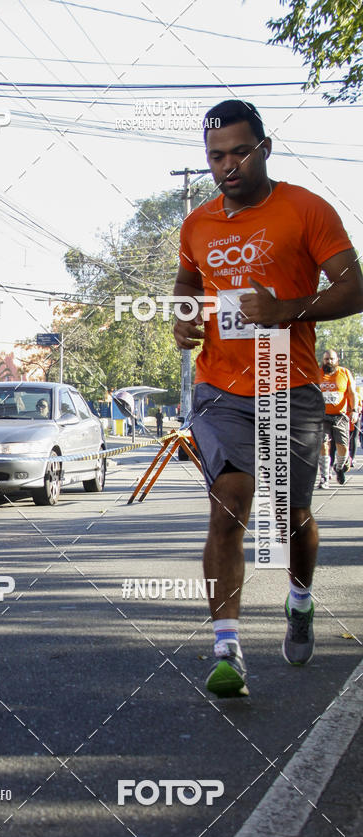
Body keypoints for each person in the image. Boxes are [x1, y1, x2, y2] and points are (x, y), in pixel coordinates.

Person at [173, 100, 363, 698]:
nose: (227, 166)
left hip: (291, 383)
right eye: (215, 156)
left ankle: (300, 597)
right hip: (219, 386)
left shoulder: (306, 209)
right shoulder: (198, 223)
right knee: (229, 502)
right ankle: (226, 646)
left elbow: (354, 285)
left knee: (290, 516)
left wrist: (288, 309)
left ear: (264, 148)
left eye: (238, 152)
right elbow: (187, 281)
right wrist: (183, 316)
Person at [318, 350, 357, 488]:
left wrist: (354, 410)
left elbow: (352, 394)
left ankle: (339, 467)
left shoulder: (345, 373)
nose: (329, 361)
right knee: (323, 445)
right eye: (326, 359)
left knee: (343, 448)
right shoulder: (317, 374)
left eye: (332, 359)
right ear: (323, 360)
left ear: (337, 360)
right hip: (322, 416)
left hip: (340, 416)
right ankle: (324, 477)